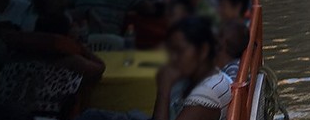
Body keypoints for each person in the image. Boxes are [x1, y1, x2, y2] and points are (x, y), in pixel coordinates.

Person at [78, 17, 232, 120]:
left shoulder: (205, 96)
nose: (173, 58)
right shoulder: (211, 76)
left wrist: (164, 89)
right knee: (92, 115)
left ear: (203, 50)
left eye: (180, 50)